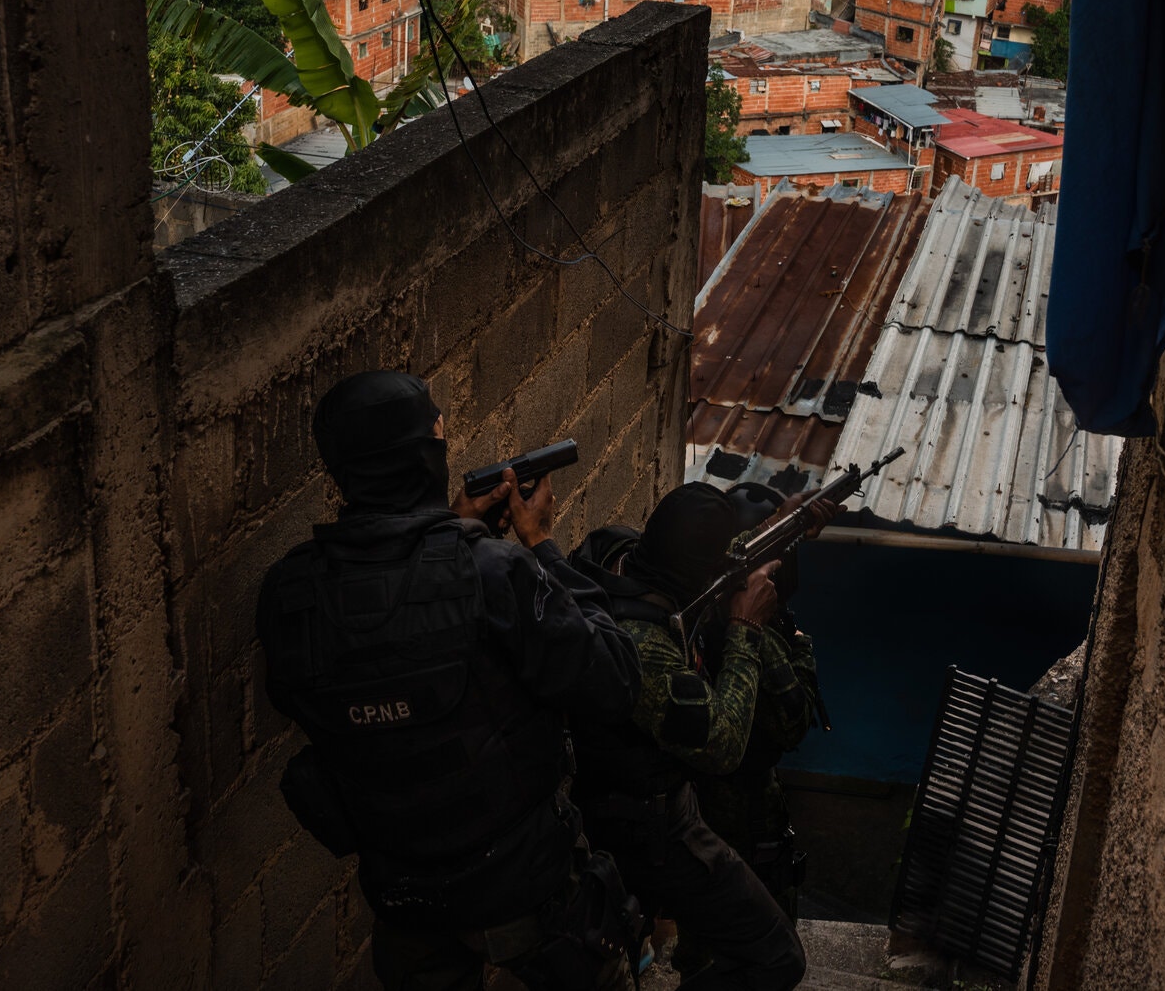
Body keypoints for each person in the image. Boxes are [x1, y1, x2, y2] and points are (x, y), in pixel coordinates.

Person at [256, 371, 641, 991]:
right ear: (425, 457)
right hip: (521, 885)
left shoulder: (289, 593)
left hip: (405, 896)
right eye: (438, 436)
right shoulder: (493, 570)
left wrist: (447, 534)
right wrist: (540, 545)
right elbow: (613, 680)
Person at [569, 482, 812, 991]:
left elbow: (712, 562)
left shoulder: (619, 556)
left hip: (633, 809)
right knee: (778, 957)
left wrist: (785, 523)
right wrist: (746, 628)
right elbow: (721, 746)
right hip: (648, 827)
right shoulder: (643, 644)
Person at [685, 483, 826, 925]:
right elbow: (795, 721)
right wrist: (794, 646)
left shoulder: (701, 604)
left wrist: (785, 520)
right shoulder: (740, 626)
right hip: (737, 807)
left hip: (704, 806)